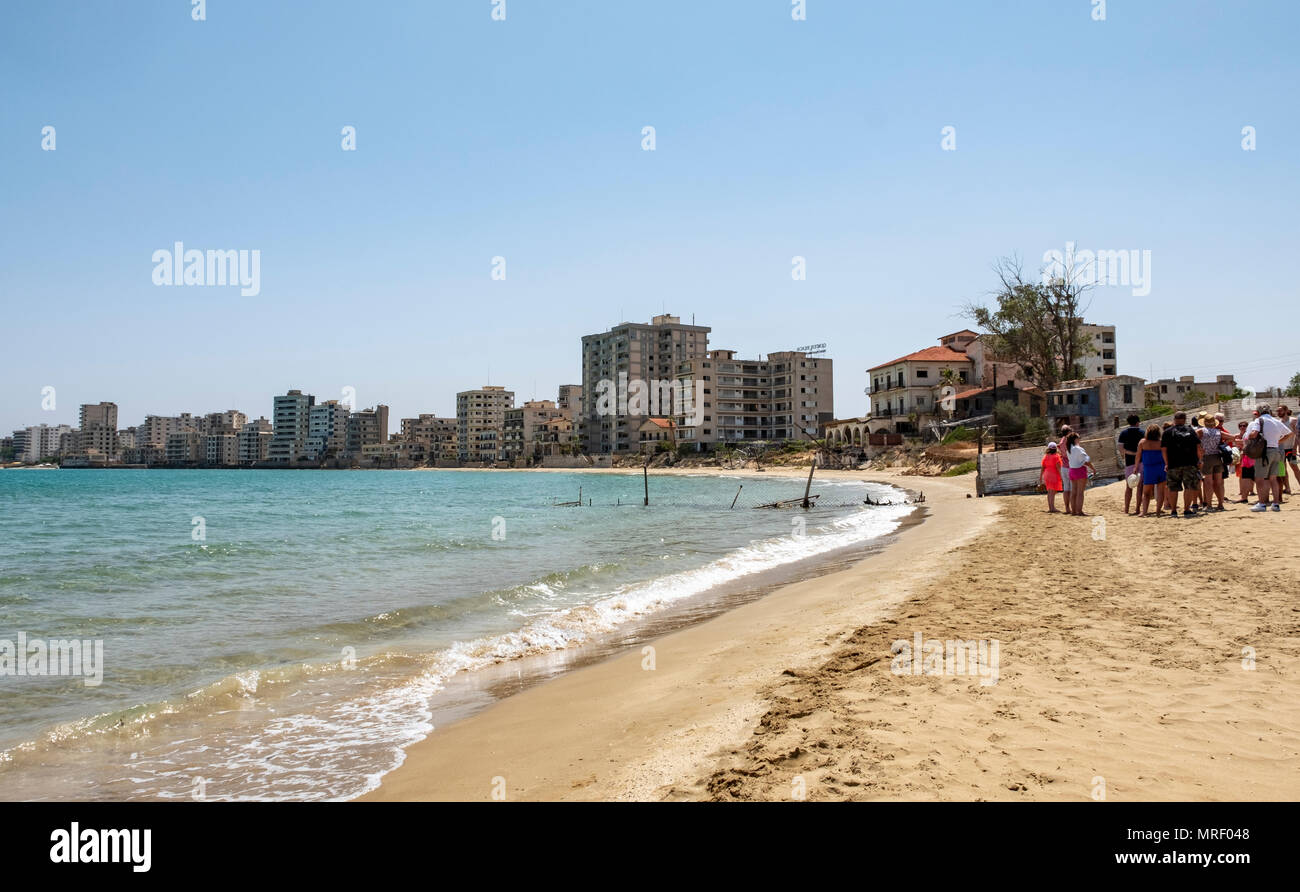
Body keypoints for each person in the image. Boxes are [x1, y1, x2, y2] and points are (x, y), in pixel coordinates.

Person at [1246, 404, 1293, 512]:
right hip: (1276, 451)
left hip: (1264, 452)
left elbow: (1254, 434)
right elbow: (1289, 433)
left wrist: (1249, 436)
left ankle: (1262, 503)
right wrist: (1277, 441)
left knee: (1260, 479)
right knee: (1273, 479)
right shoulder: (1276, 421)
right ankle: (1275, 504)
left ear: (1258, 411)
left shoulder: (1259, 420)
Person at [1160, 411, 1202, 517]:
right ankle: (1186, 509)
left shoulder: (1167, 432)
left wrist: (1166, 463)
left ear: (1174, 419)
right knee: (1188, 487)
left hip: (1173, 464)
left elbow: (1163, 449)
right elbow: (1198, 447)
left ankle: (1173, 510)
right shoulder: (1191, 431)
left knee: (1173, 487)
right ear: (1184, 419)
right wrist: (1199, 460)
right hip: (1190, 463)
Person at [1135, 423, 1167, 516]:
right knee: (1161, 492)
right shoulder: (1161, 442)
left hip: (1149, 468)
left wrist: (1136, 467)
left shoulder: (1142, 442)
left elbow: (1138, 456)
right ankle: (1158, 511)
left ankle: (1144, 512)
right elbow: (1165, 455)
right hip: (1161, 467)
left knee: (1146, 492)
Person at [1117, 414, 1144, 515]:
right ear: (1137, 422)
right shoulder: (1142, 432)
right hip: (1141, 461)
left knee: (1129, 486)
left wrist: (1131, 453)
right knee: (1140, 486)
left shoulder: (1123, 433)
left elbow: (1120, 449)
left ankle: (1126, 509)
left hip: (1129, 462)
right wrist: (1138, 453)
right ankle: (1137, 509)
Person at [1198, 415, 1227, 511]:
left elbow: (1191, 437)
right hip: (1218, 457)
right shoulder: (1218, 432)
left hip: (1207, 457)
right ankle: (1220, 504)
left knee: (1208, 482)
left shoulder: (1202, 431)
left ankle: (1209, 505)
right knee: (1219, 483)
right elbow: (1231, 437)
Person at [1064, 432, 1097, 516]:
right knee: (1080, 493)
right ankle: (1080, 511)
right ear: (1075, 439)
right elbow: (1087, 461)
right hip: (1080, 471)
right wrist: (1093, 469)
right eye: (1079, 438)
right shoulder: (1079, 449)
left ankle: (1074, 511)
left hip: (1072, 471)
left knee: (1073, 492)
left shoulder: (1069, 450)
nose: (1079, 440)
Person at [1278, 405, 1299, 495]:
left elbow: (1297, 435)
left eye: (1280, 411)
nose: (1278, 413)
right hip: (1281, 449)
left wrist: (1295, 447)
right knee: (1282, 469)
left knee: (1294, 468)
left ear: (1286, 410)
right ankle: (1287, 488)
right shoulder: (1278, 422)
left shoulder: (1293, 420)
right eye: (1278, 411)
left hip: (1291, 448)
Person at [1041, 442, 1064, 513]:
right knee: (1052, 492)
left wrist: (1040, 477)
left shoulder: (1045, 456)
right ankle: (1052, 508)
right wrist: (1062, 477)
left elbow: (1042, 468)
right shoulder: (1056, 457)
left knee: (1050, 492)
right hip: (1053, 475)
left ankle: (1051, 507)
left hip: (1047, 474)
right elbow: (1058, 468)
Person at [1057, 424, 1074, 504]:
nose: (1072, 432)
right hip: (1070, 467)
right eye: (1070, 430)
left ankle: (1067, 508)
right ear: (1068, 432)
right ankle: (1072, 506)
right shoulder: (1069, 441)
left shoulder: (1061, 441)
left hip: (1063, 467)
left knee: (1066, 488)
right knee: (1071, 488)